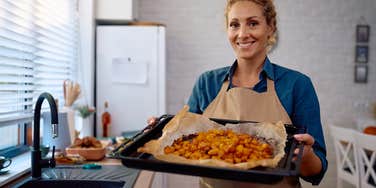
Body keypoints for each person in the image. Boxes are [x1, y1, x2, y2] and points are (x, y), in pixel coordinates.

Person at [149, 0, 327, 187]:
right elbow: (181, 143)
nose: (242, 34)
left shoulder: (297, 85)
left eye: (253, 23)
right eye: (234, 25)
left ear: (270, 27)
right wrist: (160, 131)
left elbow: (316, 172)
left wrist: (306, 156)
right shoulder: (207, 83)